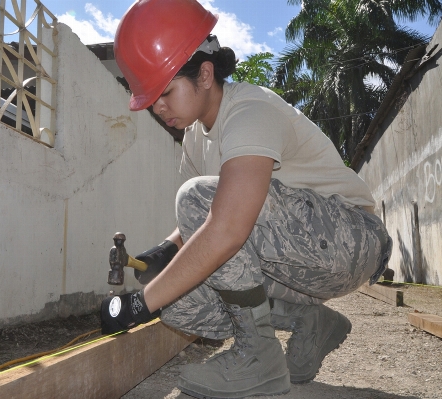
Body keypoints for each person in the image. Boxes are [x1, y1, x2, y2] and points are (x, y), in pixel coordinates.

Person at [99, 0, 393, 398]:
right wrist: (163, 253)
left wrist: (139, 305)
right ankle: (310, 321)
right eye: (150, 100)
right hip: (300, 259)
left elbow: (224, 226)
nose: (158, 107)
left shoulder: (249, 110)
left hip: (354, 241)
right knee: (180, 301)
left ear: (204, 74)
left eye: (165, 92)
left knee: (197, 208)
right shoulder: (193, 139)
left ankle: (259, 360)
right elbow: (199, 226)